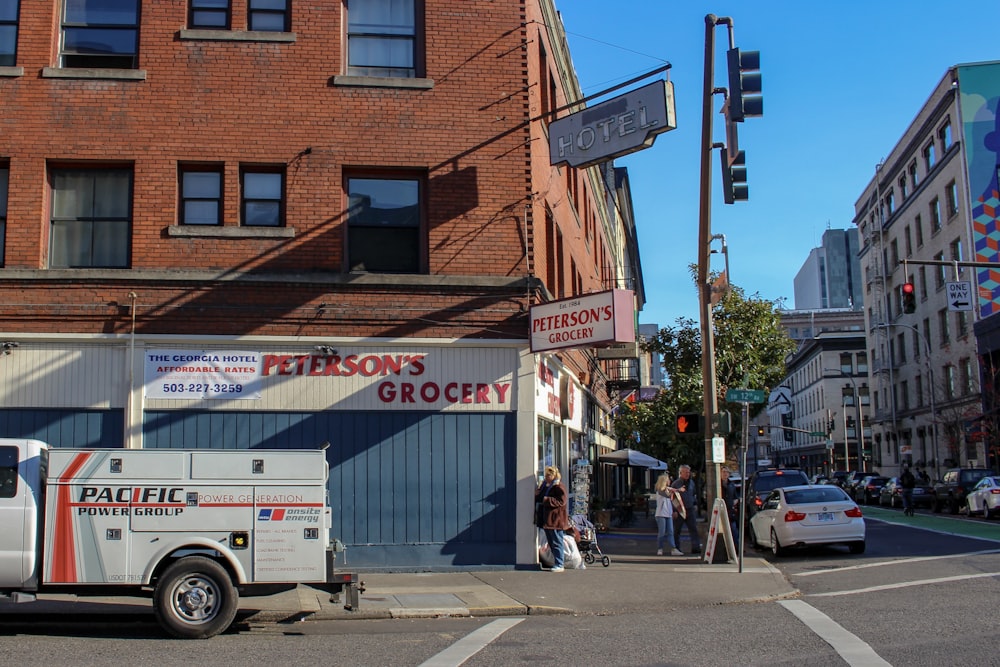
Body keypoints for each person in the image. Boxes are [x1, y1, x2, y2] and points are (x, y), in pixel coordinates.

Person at [535, 466, 569, 572]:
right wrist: (538, 494)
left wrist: (546, 499)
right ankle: (557, 562)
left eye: (548, 475)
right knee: (551, 541)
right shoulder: (546, 486)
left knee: (557, 541)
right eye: (545, 475)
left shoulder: (558, 486)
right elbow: (540, 497)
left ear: (553, 475)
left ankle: (560, 563)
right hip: (548, 519)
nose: (546, 477)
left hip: (555, 519)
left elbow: (561, 501)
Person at [672, 464, 702, 555]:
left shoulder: (692, 483)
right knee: (677, 530)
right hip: (680, 510)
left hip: (690, 509)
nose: (687, 474)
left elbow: (694, 494)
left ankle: (695, 547)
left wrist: (695, 504)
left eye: (688, 472)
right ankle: (676, 547)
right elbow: (672, 498)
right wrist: (674, 510)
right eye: (685, 472)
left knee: (693, 528)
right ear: (680, 473)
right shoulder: (676, 484)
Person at [654, 473, 684, 556]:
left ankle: (673, 548)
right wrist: (678, 490)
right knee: (662, 532)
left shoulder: (669, 489)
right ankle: (660, 548)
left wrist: (674, 511)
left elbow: (672, 497)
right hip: (661, 514)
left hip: (668, 513)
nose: (669, 481)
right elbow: (668, 495)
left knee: (671, 531)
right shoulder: (660, 490)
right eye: (668, 479)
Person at [720, 466, 739, 544]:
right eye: (723, 472)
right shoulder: (718, 484)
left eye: (727, 472)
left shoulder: (731, 485)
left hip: (730, 512)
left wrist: (733, 503)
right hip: (721, 511)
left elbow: (736, 497)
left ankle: (736, 547)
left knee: (734, 530)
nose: (725, 474)